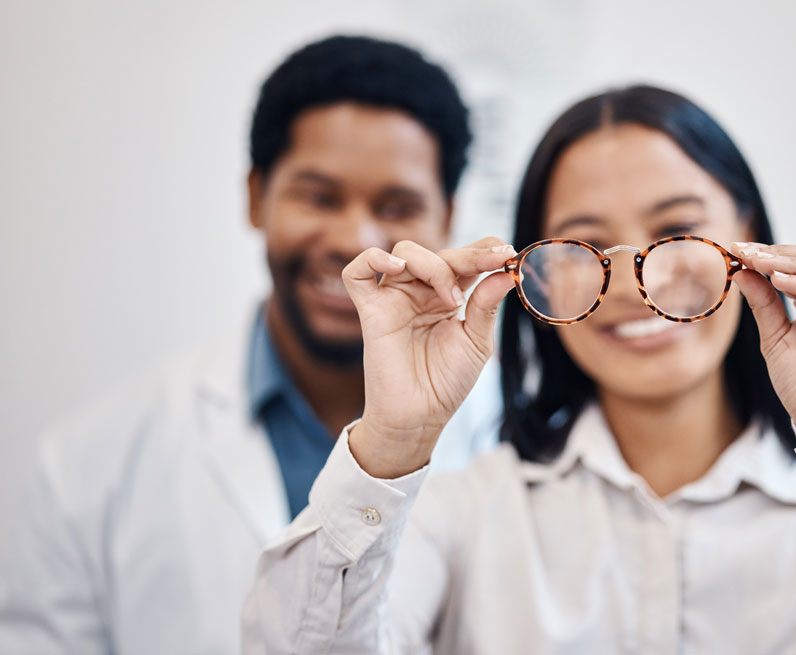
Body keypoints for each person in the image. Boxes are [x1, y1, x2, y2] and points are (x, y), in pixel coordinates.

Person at [242, 85, 796, 654]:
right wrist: (392, 439)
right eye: (584, 243)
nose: (636, 283)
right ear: (532, 277)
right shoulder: (465, 516)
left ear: (749, 240)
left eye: (676, 231)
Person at [0, 35, 499, 654]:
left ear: (447, 217)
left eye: (396, 204)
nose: (356, 239)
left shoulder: (517, 447)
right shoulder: (88, 468)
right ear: (256, 197)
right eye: (319, 197)